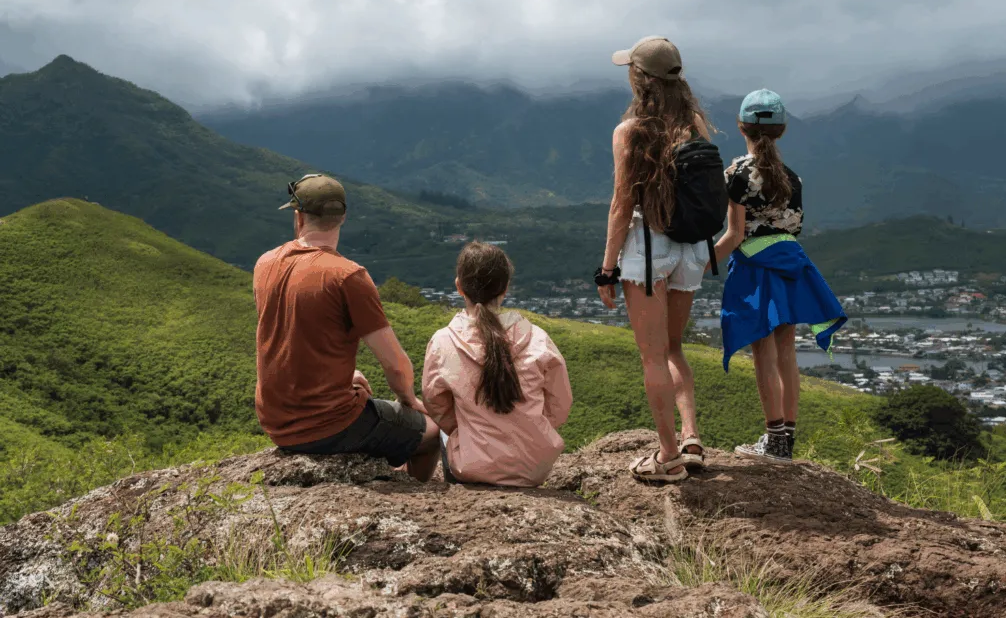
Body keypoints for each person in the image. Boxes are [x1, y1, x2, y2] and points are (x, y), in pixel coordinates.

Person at [253, 173, 441, 481]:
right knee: (432, 433)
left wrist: (345, 377)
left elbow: (292, 340)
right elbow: (395, 366)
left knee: (358, 382)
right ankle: (413, 492)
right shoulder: (348, 276)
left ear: (299, 217)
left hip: (275, 421)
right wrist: (411, 404)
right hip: (327, 426)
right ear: (343, 218)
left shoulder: (264, 264)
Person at [596, 36, 712, 483]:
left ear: (639, 79)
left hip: (649, 247)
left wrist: (607, 269)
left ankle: (668, 459)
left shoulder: (631, 132)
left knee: (652, 356)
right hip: (692, 247)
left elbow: (622, 206)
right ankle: (691, 438)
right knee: (675, 348)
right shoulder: (697, 125)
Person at [711, 90, 847, 463]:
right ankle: (785, 439)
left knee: (763, 351)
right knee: (787, 351)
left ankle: (772, 439)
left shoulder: (738, 172)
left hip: (756, 268)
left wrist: (701, 263)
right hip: (791, 264)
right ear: (782, 131)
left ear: (742, 128)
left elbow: (735, 235)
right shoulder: (793, 178)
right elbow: (792, 229)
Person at [422, 241, 572, 487]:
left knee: (434, 428)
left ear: (459, 287)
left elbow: (436, 404)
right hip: (533, 469)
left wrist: (466, 432)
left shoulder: (442, 342)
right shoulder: (537, 338)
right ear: (505, 288)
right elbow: (560, 406)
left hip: (471, 467)